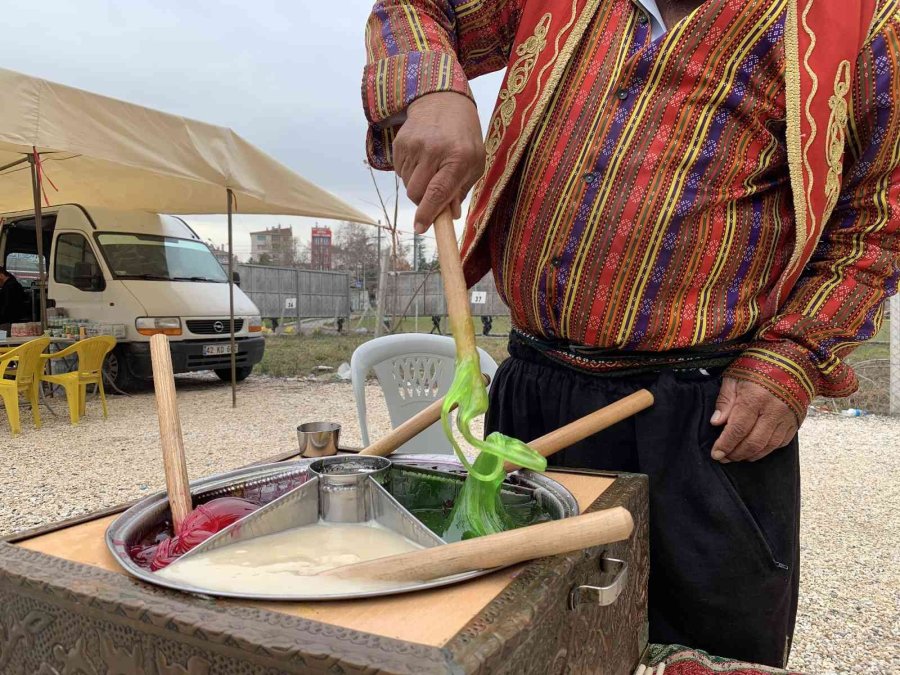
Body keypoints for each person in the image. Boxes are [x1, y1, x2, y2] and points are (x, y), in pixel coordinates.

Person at [362, 0, 900, 667]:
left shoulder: (864, 21)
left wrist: (792, 358)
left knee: (698, 655)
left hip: (706, 421)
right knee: (515, 642)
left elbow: (879, 219)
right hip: (532, 396)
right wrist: (432, 88)